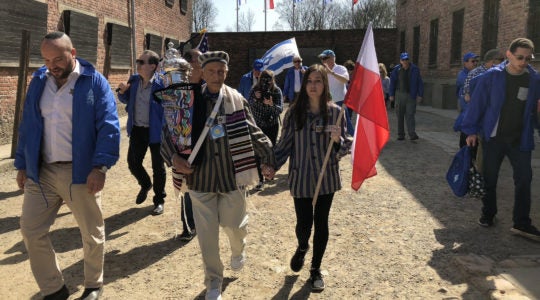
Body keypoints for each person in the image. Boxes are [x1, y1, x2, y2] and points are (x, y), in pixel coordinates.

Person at [14, 31, 120, 300]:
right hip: (43, 171)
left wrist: (100, 166)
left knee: (91, 232)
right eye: (47, 60)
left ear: (72, 54)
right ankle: (54, 288)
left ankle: (93, 284)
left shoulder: (94, 82)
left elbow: (108, 125)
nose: (52, 65)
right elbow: (28, 124)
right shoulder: (39, 80)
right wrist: (23, 164)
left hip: (81, 171)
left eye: (58, 59)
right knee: (30, 229)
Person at [164, 51, 275, 300]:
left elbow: (251, 130)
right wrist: (174, 158)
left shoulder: (235, 99)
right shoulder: (187, 100)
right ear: (202, 73)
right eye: (211, 71)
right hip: (199, 179)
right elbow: (168, 133)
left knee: (235, 226)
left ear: (227, 72)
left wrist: (268, 154)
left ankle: (238, 249)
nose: (217, 76)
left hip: (231, 177)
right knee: (207, 236)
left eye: (221, 72)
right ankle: (214, 281)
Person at [271, 64, 346, 292]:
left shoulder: (335, 112)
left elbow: (344, 146)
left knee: (321, 223)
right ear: (304, 85)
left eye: (318, 81)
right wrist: (271, 166)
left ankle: (315, 270)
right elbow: (284, 145)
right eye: (310, 82)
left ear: (325, 85)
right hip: (302, 176)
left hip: (326, 177)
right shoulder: (294, 113)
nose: (313, 86)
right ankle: (302, 247)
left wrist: (338, 141)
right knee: (304, 224)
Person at [461, 38, 540, 241]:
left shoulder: (533, 79)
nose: (524, 61)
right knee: (490, 178)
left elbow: (535, 109)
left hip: (520, 140)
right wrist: (470, 131)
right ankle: (488, 214)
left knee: (524, 179)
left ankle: (521, 222)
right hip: (493, 138)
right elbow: (477, 104)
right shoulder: (491, 77)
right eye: (520, 57)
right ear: (509, 55)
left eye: (528, 58)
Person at [117, 50, 167, 215]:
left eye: (141, 62)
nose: (137, 64)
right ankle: (146, 184)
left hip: (156, 132)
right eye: (138, 61)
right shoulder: (134, 81)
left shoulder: (162, 84)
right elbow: (126, 100)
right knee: (133, 163)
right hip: (138, 129)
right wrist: (123, 92)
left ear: (152, 66)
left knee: (158, 168)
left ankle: (159, 200)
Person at [248, 69, 284, 191]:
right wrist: (256, 99)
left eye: (268, 81)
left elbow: (280, 109)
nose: (266, 83)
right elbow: (248, 106)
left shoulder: (276, 91)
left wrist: (271, 105)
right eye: (263, 80)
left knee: (271, 150)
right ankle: (259, 179)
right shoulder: (254, 90)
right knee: (258, 152)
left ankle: (270, 172)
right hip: (258, 125)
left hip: (272, 124)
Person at [388, 52, 424, 140]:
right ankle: (401, 134)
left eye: (406, 59)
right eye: (403, 60)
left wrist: (420, 94)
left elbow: (420, 82)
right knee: (400, 115)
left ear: (409, 60)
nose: (405, 61)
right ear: (400, 61)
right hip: (399, 94)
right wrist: (391, 94)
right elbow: (392, 82)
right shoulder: (396, 70)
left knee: (410, 114)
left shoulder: (415, 69)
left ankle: (412, 133)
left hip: (411, 95)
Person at [318, 49, 353, 136]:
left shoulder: (340, 68)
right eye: (322, 58)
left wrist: (331, 73)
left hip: (340, 101)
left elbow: (345, 80)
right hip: (327, 101)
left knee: (345, 122)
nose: (323, 60)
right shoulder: (321, 70)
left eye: (325, 58)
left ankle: (354, 141)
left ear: (333, 58)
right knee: (328, 123)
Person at [454, 51, 479, 148]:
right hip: (466, 107)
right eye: (473, 61)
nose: (475, 63)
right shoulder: (463, 75)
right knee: (466, 128)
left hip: (469, 107)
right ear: (465, 63)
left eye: (476, 61)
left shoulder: (474, 73)